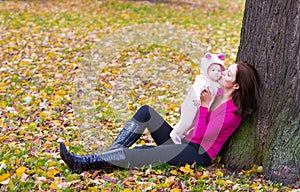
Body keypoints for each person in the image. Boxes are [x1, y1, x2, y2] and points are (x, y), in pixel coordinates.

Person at [60, 61, 260, 173]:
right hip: (182, 142)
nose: (223, 73)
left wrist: (204, 107)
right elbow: (187, 117)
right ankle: (112, 152)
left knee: (143, 152)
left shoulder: (232, 114)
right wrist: (195, 101)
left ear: (236, 86)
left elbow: (199, 139)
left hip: (197, 154)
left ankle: (85, 162)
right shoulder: (215, 93)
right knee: (146, 112)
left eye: (228, 74)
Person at [170, 52, 226, 144]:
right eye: (213, 70)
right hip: (192, 105)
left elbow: (224, 84)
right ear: (206, 70)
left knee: (192, 123)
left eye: (219, 71)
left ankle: (181, 134)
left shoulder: (215, 82)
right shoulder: (202, 79)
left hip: (200, 108)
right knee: (186, 121)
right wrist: (196, 98)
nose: (216, 73)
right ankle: (175, 134)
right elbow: (196, 88)